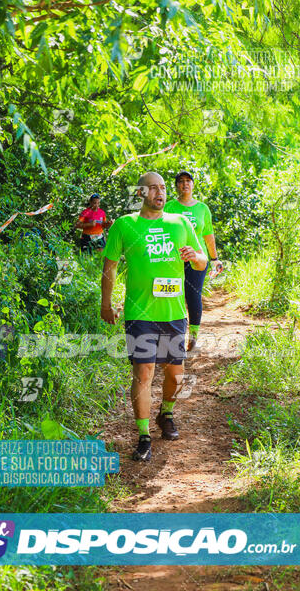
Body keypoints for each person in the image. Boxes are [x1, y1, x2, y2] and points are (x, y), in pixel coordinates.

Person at [100, 172, 207, 461]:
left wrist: (194, 257)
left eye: (162, 188)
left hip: (173, 312)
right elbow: (109, 266)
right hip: (139, 312)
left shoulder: (181, 222)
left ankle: (166, 414)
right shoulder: (125, 225)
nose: (160, 193)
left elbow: (202, 260)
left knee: (176, 375)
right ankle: (144, 436)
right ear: (140, 193)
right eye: (153, 188)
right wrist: (106, 303)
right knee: (144, 372)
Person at [164, 171, 222, 351]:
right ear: (176, 186)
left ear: (193, 185)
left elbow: (208, 235)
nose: (184, 184)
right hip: (174, 258)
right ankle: (174, 336)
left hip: (197, 258)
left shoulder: (202, 208)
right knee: (173, 294)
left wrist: (215, 259)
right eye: (180, 182)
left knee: (193, 294)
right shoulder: (169, 207)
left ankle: (193, 336)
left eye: (188, 181)